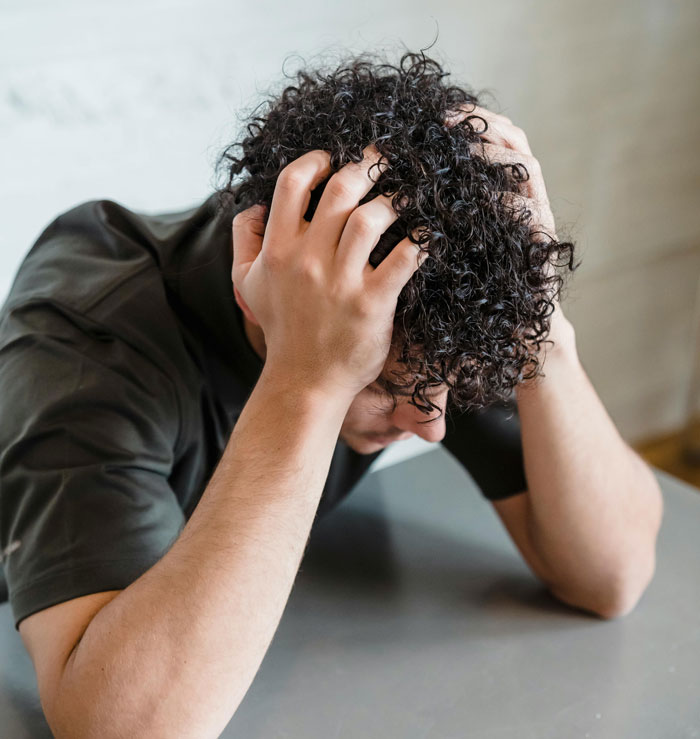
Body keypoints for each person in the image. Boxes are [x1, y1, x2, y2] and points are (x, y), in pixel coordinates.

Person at [0, 50, 663, 736]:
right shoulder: (90, 329)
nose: (432, 425)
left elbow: (611, 574)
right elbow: (122, 726)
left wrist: (540, 319)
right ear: (254, 302)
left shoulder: (419, 318)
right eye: (382, 385)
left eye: (446, 385)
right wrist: (310, 376)